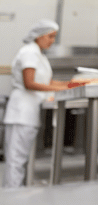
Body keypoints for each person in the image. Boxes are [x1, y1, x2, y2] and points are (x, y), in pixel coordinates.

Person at [3, 20, 71, 188]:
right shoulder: (29, 52)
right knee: (16, 160)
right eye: (50, 36)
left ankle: (17, 191)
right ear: (39, 36)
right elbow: (30, 83)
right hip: (21, 112)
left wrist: (73, 85)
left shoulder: (39, 54)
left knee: (22, 158)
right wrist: (60, 89)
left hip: (29, 112)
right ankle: (11, 195)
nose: (52, 41)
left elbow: (48, 81)